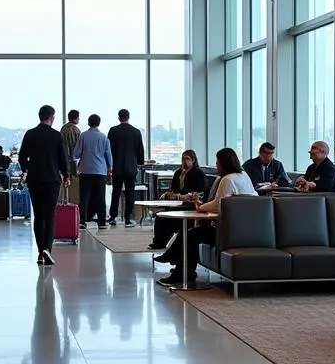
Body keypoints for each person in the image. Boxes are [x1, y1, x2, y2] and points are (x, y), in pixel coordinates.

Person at [155, 148, 255, 288]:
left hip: (229, 233)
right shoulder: (244, 176)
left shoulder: (227, 180)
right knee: (191, 234)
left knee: (191, 235)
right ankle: (177, 263)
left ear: (223, 163)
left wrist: (200, 207)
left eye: (217, 162)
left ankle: (180, 271)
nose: (216, 165)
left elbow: (218, 204)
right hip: (245, 230)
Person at [18, 105, 70, 266]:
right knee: (50, 215)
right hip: (52, 180)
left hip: (34, 180)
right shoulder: (56, 135)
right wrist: (66, 175)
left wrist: (27, 169)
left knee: (38, 215)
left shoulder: (30, 134)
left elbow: (21, 157)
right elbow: (63, 158)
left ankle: (40, 252)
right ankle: (47, 248)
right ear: (52, 118)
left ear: (39, 116)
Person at [150, 149, 207, 250]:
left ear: (193, 160)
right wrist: (171, 195)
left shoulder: (199, 174)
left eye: (187, 159)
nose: (184, 162)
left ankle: (162, 241)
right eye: (182, 159)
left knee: (164, 215)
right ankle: (159, 241)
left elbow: (198, 193)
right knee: (160, 214)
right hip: (176, 202)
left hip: (189, 204)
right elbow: (173, 190)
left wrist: (181, 196)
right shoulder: (178, 173)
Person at [71, 114, 112, 230]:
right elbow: (108, 155)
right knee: (100, 198)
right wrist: (109, 168)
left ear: (89, 123)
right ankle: (102, 222)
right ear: (98, 123)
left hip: (85, 170)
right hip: (100, 171)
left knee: (84, 197)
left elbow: (76, 154)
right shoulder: (104, 137)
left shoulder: (83, 136)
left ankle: (82, 221)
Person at [107, 109, 145, 227]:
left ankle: (113, 217)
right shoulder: (136, 132)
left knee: (115, 192)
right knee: (130, 193)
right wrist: (139, 163)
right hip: (131, 168)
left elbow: (109, 150)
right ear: (128, 117)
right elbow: (140, 150)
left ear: (119, 118)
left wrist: (109, 165)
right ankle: (128, 218)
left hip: (117, 167)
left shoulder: (113, 131)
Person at [60, 110, 81, 205]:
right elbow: (76, 148)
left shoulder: (63, 129)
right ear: (76, 118)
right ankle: (73, 203)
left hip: (63, 160)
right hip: (73, 162)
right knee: (74, 185)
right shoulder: (76, 130)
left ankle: (64, 201)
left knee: (64, 184)